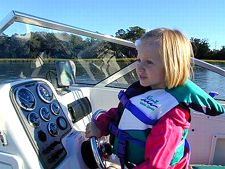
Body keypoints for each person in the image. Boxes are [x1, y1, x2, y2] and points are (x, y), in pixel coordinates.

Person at [85, 28, 225, 169]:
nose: (139, 67)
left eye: (149, 62)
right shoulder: (143, 91)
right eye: (139, 59)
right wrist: (100, 126)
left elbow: (155, 165)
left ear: (171, 67)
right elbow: (120, 113)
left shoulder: (172, 115)